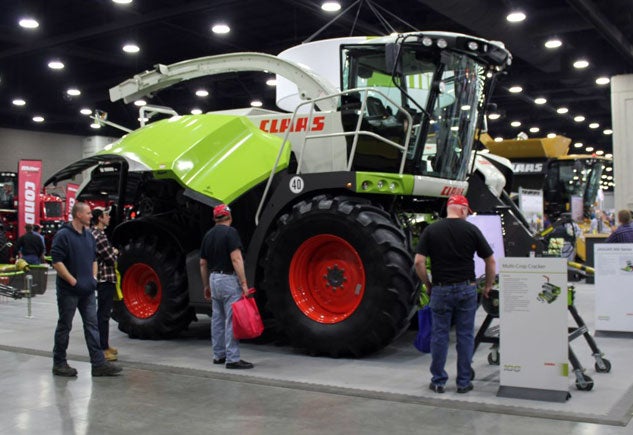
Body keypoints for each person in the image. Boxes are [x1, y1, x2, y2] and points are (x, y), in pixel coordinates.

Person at [414, 195, 495, 394]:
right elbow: (490, 260)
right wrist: (488, 286)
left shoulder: (431, 230)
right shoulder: (471, 230)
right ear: (462, 209)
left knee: (439, 335)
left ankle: (439, 380)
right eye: (467, 211)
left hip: (440, 289)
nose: (468, 215)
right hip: (467, 288)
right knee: (465, 336)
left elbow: (418, 262)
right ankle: (463, 382)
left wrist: (428, 284)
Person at [51, 201, 122, 377]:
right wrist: (73, 282)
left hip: (88, 290)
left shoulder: (89, 236)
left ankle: (98, 364)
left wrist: (93, 278)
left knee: (92, 326)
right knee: (65, 325)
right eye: (88, 213)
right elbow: (57, 262)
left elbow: (94, 259)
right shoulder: (63, 235)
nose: (91, 216)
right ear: (78, 215)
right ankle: (59, 363)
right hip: (69, 291)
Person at [199, 204, 254, 369]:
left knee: (217, 319)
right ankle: (232, 359)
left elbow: (202, 263)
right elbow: (236, 259)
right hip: (228, 279)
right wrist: (244, 283)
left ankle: (218, 355)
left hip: (213, 278)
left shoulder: (208, 235)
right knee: (231, 320)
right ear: (229, 217)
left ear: (215, 218)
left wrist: (205, 286)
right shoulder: (231, 233)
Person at [90, 208, 119, 362]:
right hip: (105, 279)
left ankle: (105, 346)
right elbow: (110, 258)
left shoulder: (93, 234)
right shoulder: (99, 236)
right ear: (100, 218)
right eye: (106, 215)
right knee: (104, 315)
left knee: (103, 314)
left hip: (101, 278)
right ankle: (103, 348)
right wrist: (115, 252)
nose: (109, 217)